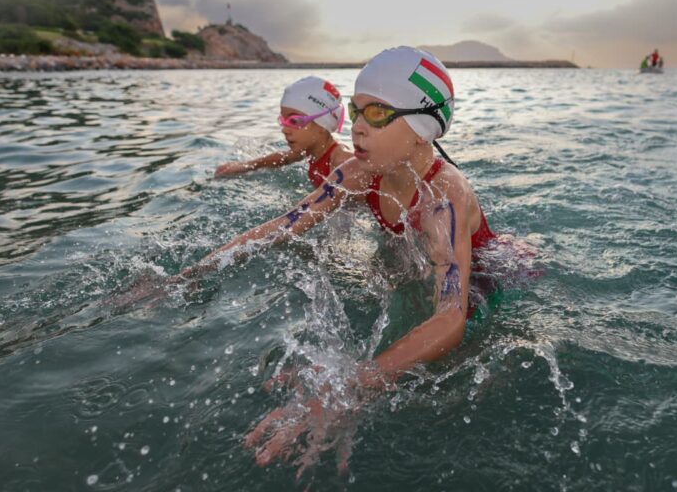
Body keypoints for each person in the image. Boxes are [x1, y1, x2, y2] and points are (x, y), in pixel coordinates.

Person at [151, 47, 499, 466]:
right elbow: (283, 225)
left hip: (489, 275)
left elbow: (450, 319)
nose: (357, 128)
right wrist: (191, 273)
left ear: (423, 126)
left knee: (458, 379)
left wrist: (350, 388)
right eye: (356, 111)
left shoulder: (444, 196)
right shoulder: (359, 173)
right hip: (419, 260)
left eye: (378, 114)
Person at [213, 76, 351, 187]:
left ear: (323, 125)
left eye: (294, 121)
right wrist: (246, 166)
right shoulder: (312, 150)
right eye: (283, 120)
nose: (284, 130)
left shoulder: (342, 162)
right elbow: (283, 158)